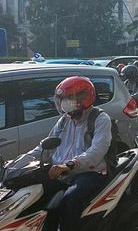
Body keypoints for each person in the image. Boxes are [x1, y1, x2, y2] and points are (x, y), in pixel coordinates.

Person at [29, 77, 112, 231]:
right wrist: (20, 161)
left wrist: (69, 164)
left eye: (69, 98)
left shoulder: (100, 119)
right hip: (61, 171)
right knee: (34, 196)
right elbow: (45, 147)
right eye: (62, 99)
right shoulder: (64, 120)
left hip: (90, 171)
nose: (64, 103)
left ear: (84, 98)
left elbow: (96, 152)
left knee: (69, 200)